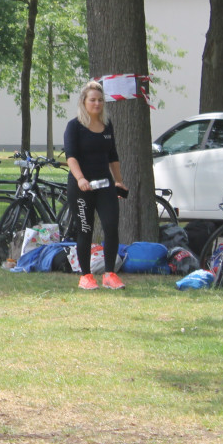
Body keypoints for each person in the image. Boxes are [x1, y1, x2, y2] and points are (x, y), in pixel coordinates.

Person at [63, 80, 129, 290]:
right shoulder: (74, 126)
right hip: (82, 188)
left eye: (100, 100)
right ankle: (86, 276)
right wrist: (81, 179)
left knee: (111, 227)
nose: (97, 103)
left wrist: (118, 180)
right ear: (84, 102)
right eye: (93, 100)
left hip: (105, 185)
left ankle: (109, 274)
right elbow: (71, 157)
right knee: (85, 229)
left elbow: (113, 156)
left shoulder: (107, 125)